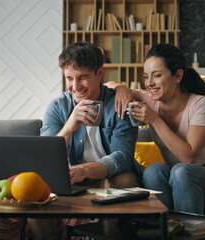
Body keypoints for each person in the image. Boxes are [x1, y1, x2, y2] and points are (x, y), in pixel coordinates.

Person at [107, 43, 205, 214]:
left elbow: (188, 158)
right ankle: (163, 229)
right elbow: (107, 85)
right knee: (153, 170)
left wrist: (155, 120)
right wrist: (121, 88)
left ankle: (189, 231)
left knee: (181, 170)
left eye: (157, 76)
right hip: (173, 176)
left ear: (178, 76)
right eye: (146, 76)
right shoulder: (149, 99)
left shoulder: (200, 103)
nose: (149, 83)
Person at [41, 41, 142, 189]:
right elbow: (45, 156)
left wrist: (85, 170)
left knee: (125, 180)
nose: (75, 86)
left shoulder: (119, 104)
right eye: (69, 78)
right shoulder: (57, 107)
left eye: (82, 77)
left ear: (100, 73)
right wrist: (69, 127)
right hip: (71, 176)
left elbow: (123, 157)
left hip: (108, 176)